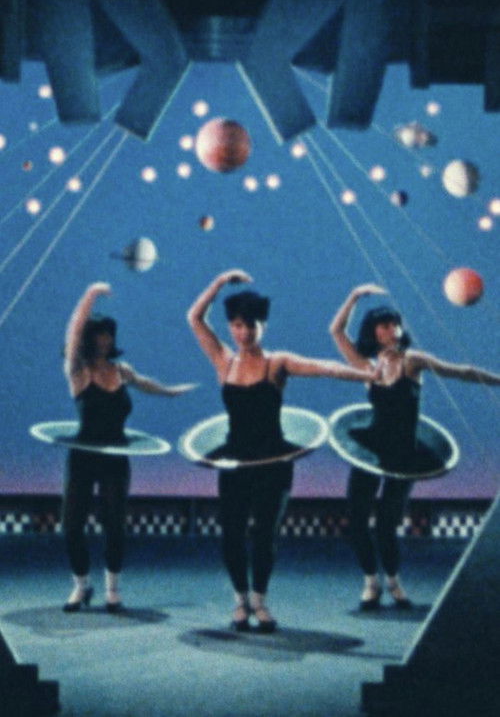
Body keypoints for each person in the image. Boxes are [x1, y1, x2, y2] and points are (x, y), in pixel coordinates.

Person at [187, 269, 380, 632]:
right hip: (235, 461)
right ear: (230, 327)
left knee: (264, 534)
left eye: (251, 325)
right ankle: (240, 601)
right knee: (231, 534)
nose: (244, 333)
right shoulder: (223, 361)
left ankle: (260, 601)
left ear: (263, 326)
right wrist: (219, 282)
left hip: (274, 463)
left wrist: (367, 375)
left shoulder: (277, 363)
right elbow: (194, 318)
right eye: (237, 325)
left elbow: (325, 368)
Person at [330, 283, 500, 610]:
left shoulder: (412, 361)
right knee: (356, 519)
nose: (392, 329)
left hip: (404, 454)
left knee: (386, 525)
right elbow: (336, 331)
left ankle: (393, 581)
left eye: (395, 324)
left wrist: (497, 381)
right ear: (374, 331)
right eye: (385, 325)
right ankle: (371, 581)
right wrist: (354, 296)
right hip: (370, 447)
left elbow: (460, 372)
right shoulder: (367, 367)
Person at [63, 282, 193, 613]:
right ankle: (81, 585)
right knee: (73, 524)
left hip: (116, 456)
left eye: (109, 334)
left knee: (114, 523)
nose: (105, 340)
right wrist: (90, 294)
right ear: (90, 337)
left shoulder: (122, 371)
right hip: (84, 455)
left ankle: (112, 589)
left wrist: (170, 392)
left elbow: (145, 384)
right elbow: (73, 331)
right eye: (99, 334)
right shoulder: (79, 371)